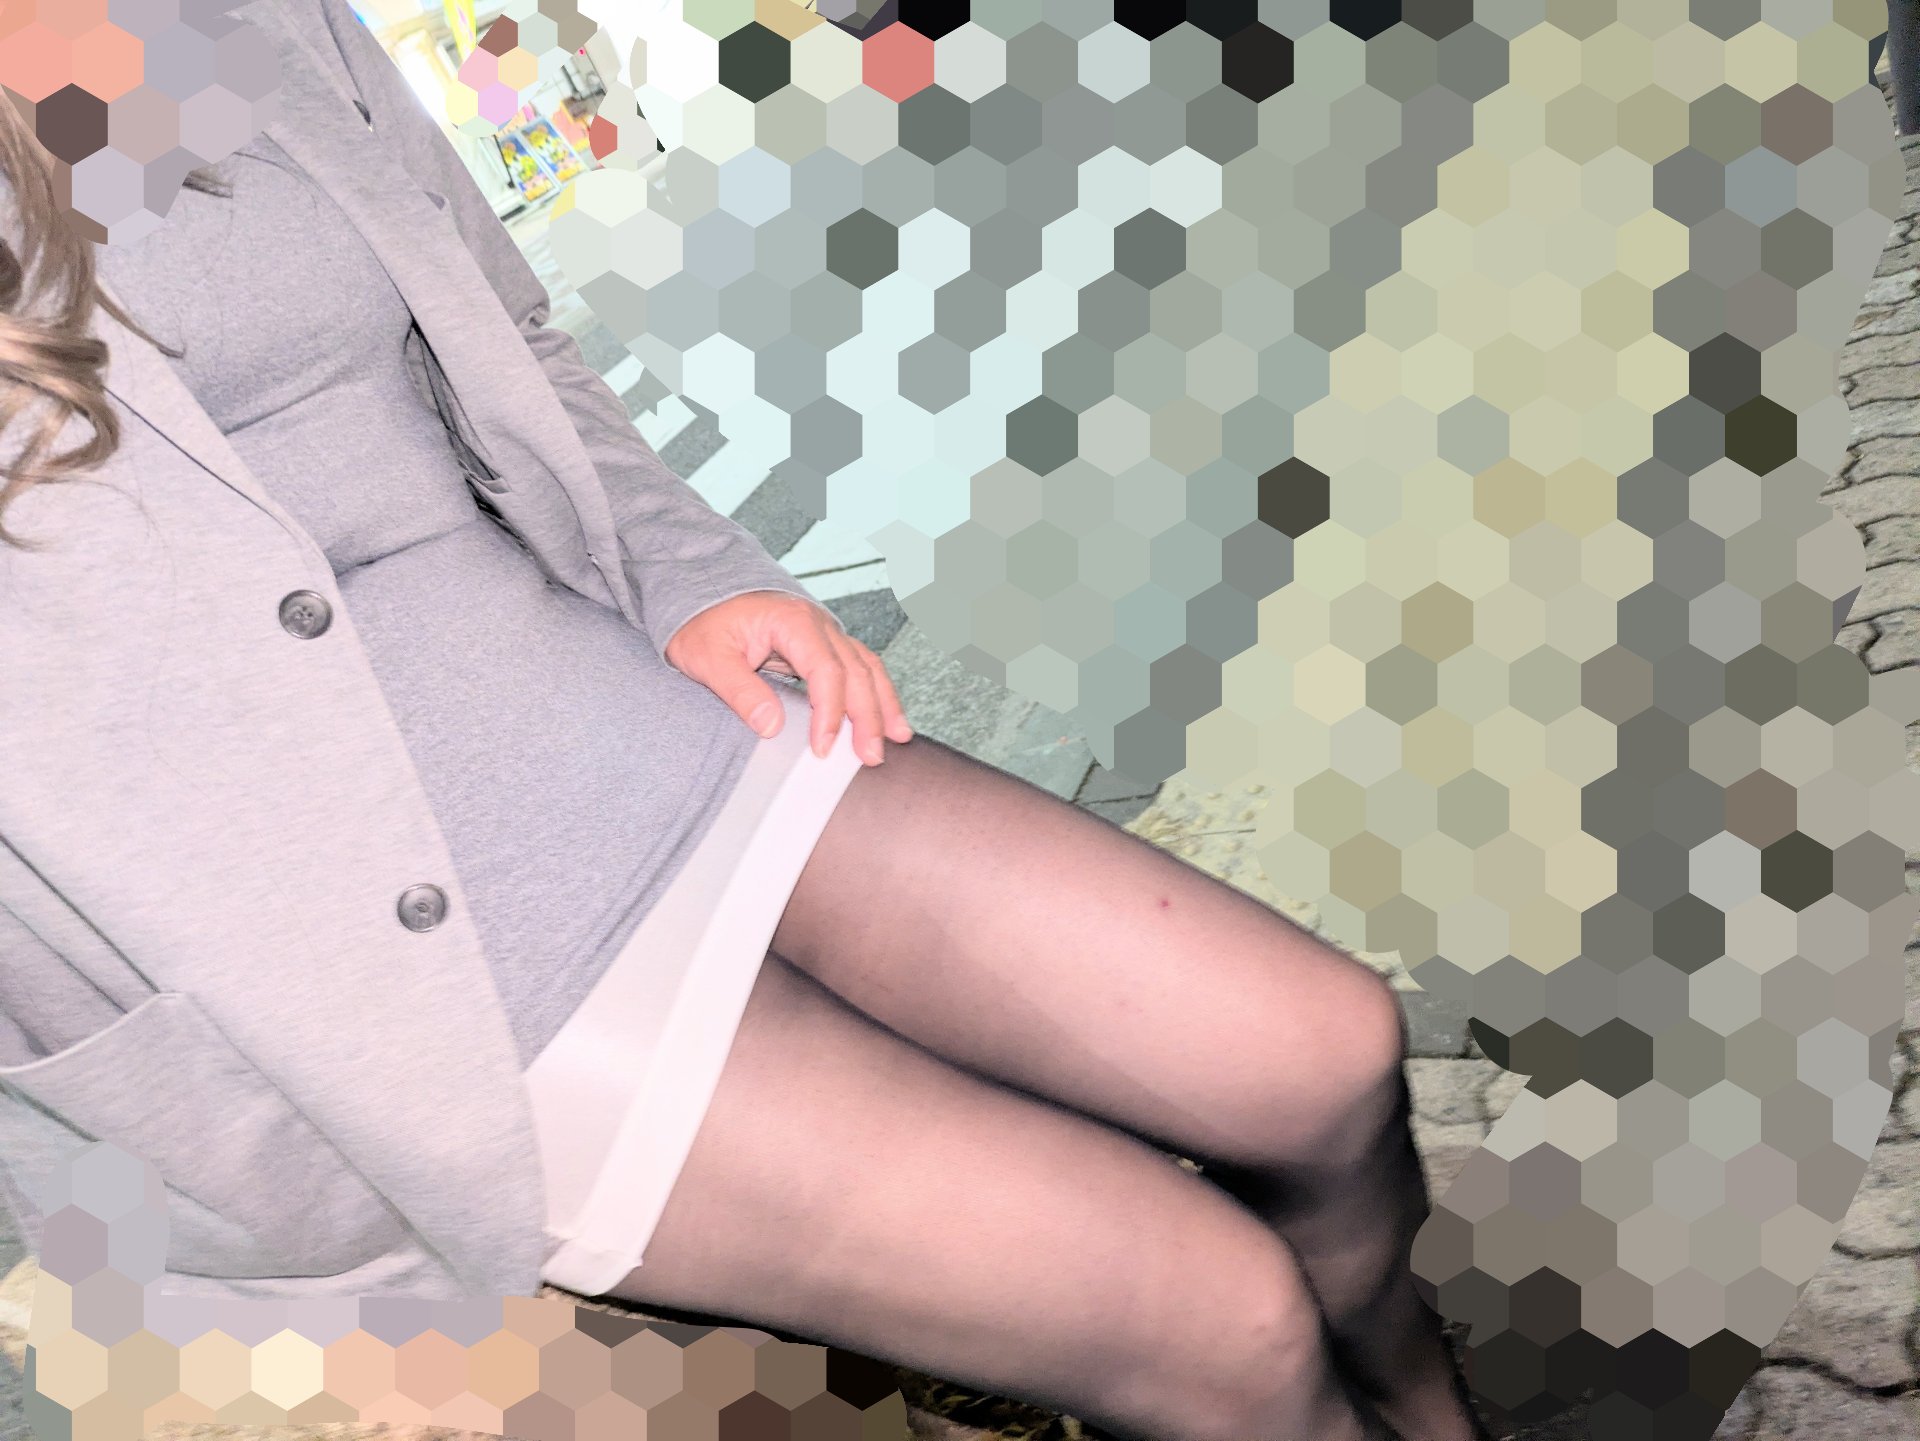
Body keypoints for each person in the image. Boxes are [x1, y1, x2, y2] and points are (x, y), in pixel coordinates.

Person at [0, 3, 1486, 1439]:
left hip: (586, 697)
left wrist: (687, 572)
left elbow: (498, 317)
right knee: (1224, 1324)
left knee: (1322, 1052)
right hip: (333, 962)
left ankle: (1430, 1412)